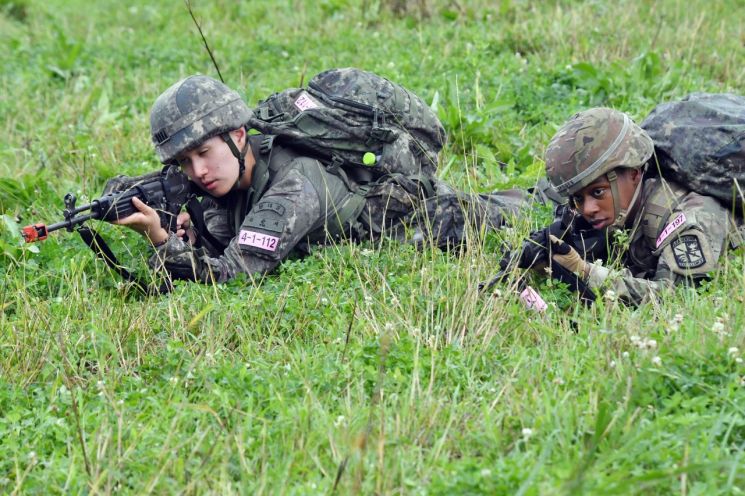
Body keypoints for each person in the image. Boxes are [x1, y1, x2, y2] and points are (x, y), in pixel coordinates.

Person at [115, 75, 530, 283]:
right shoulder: (236, 172)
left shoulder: (294, 186)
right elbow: (224, 229)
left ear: (239, 135)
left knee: (522, 210)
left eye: (204, 153)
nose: (198, 172)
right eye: (185, 163)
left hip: (415, 219)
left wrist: (160, 241)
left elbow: (235, 275)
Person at [542, 107, 744, 305]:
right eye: (578, 198)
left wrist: (584, 271)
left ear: (634, 173)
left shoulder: (687, 220)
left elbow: (676, 298)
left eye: (598, 192)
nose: (588, 209)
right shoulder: (623, 204)